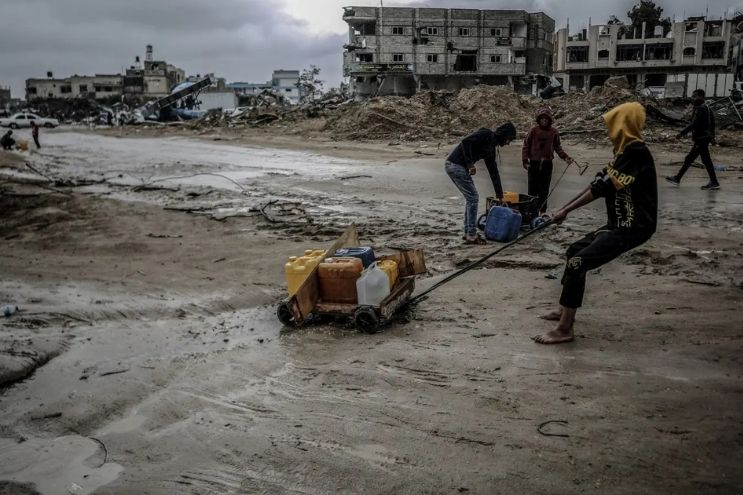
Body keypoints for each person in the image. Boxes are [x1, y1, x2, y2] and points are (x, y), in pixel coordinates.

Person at [534, 102, 657, 344]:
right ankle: (564, 309)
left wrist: (566, 210)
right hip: (617, 224)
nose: (609, 130)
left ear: (623, 125)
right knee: (574, 252)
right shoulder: (623, 152)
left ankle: (565, 329)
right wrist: (563, 210)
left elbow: (603, 189)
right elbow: (596, 183)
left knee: (579, 263)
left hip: (634, 227)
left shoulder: (636, 152)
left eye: (612, 125)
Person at [445, 122, 517, 244]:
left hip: (456, 167)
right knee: (473, 198)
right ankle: (471, 234)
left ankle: (468, 232)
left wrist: (500, 195)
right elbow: (465, 142)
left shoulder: (491, 149)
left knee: (471, 198)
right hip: (455, 165)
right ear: (504, 135)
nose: (508, 143)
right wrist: (470, 164)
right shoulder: (486, 134)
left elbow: (493, 171)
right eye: (509, 139)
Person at [522, 108, 575, 213]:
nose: (544, 121)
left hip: (547, 164)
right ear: (539, 120)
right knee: (532, 189)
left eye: (546, 119)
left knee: (544, 189)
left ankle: (542, 211)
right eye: (542, 119)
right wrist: (525, 160)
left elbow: (557, 147)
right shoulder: (533, 130)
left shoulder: (554, 132)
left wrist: (565, 157)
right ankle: (532, 211)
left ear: (549, 120)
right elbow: (526, 145)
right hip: (534, 164)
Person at [665, 89, 719, 190]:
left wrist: (681, 133)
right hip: (703, 138)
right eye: (693, 96)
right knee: (692, 159)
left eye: (695, 96)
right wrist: (712, 137)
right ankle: (677, 178)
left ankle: (714, 182)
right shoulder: (706, 107)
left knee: (702, 160)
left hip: (701, 138)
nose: (693, 98)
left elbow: (694, 124)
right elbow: (712, 124)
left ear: (702, 97)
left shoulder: (701, 108)